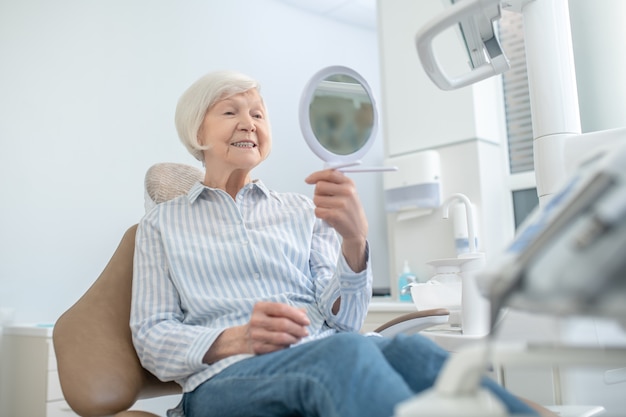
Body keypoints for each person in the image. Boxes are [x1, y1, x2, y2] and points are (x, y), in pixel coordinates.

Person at [130, 70, 544, 417]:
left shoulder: (304, 211)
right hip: (225, 380)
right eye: (230, 111)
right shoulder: (160, 226)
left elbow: (344, 322)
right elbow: (151, 336)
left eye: (258, 113)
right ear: (196, 130)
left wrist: (354, 240)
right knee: (346, 354)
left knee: (414, 352)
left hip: (326, 350)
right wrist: (235, 338)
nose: (249, 123)